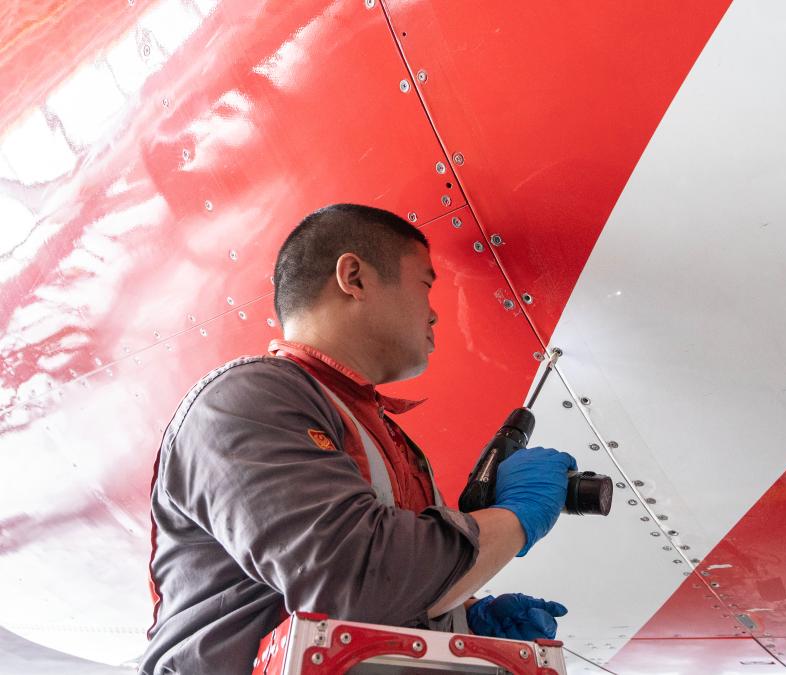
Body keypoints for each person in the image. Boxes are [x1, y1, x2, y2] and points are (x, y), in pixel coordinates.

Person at [140, 204, 576, 674]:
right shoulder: (246, 399)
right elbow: (352, 582)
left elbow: (383, 598)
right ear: (354, 277)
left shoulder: (376, 432)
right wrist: (518, 515)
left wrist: (462, 619)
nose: (433, 315)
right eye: (425, 286)